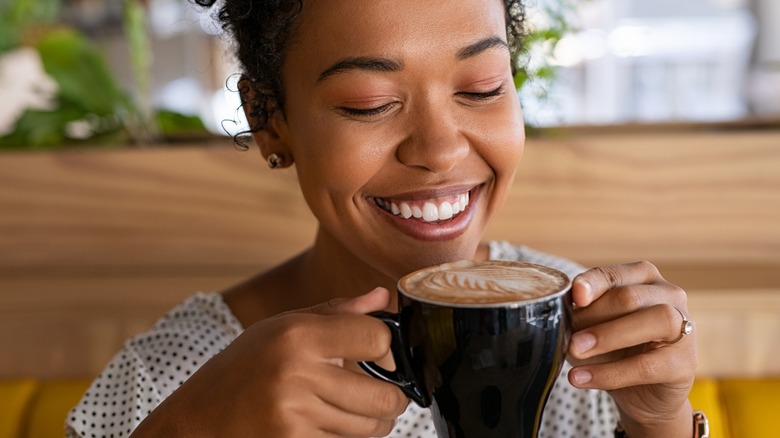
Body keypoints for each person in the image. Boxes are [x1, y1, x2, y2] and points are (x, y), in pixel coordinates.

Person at [66, 0, 701, 436]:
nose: (440, 150)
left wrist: (660, 424)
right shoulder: (172, 377)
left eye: (482, 88)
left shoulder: (582, 340)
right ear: (269, 119)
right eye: (370, 104)